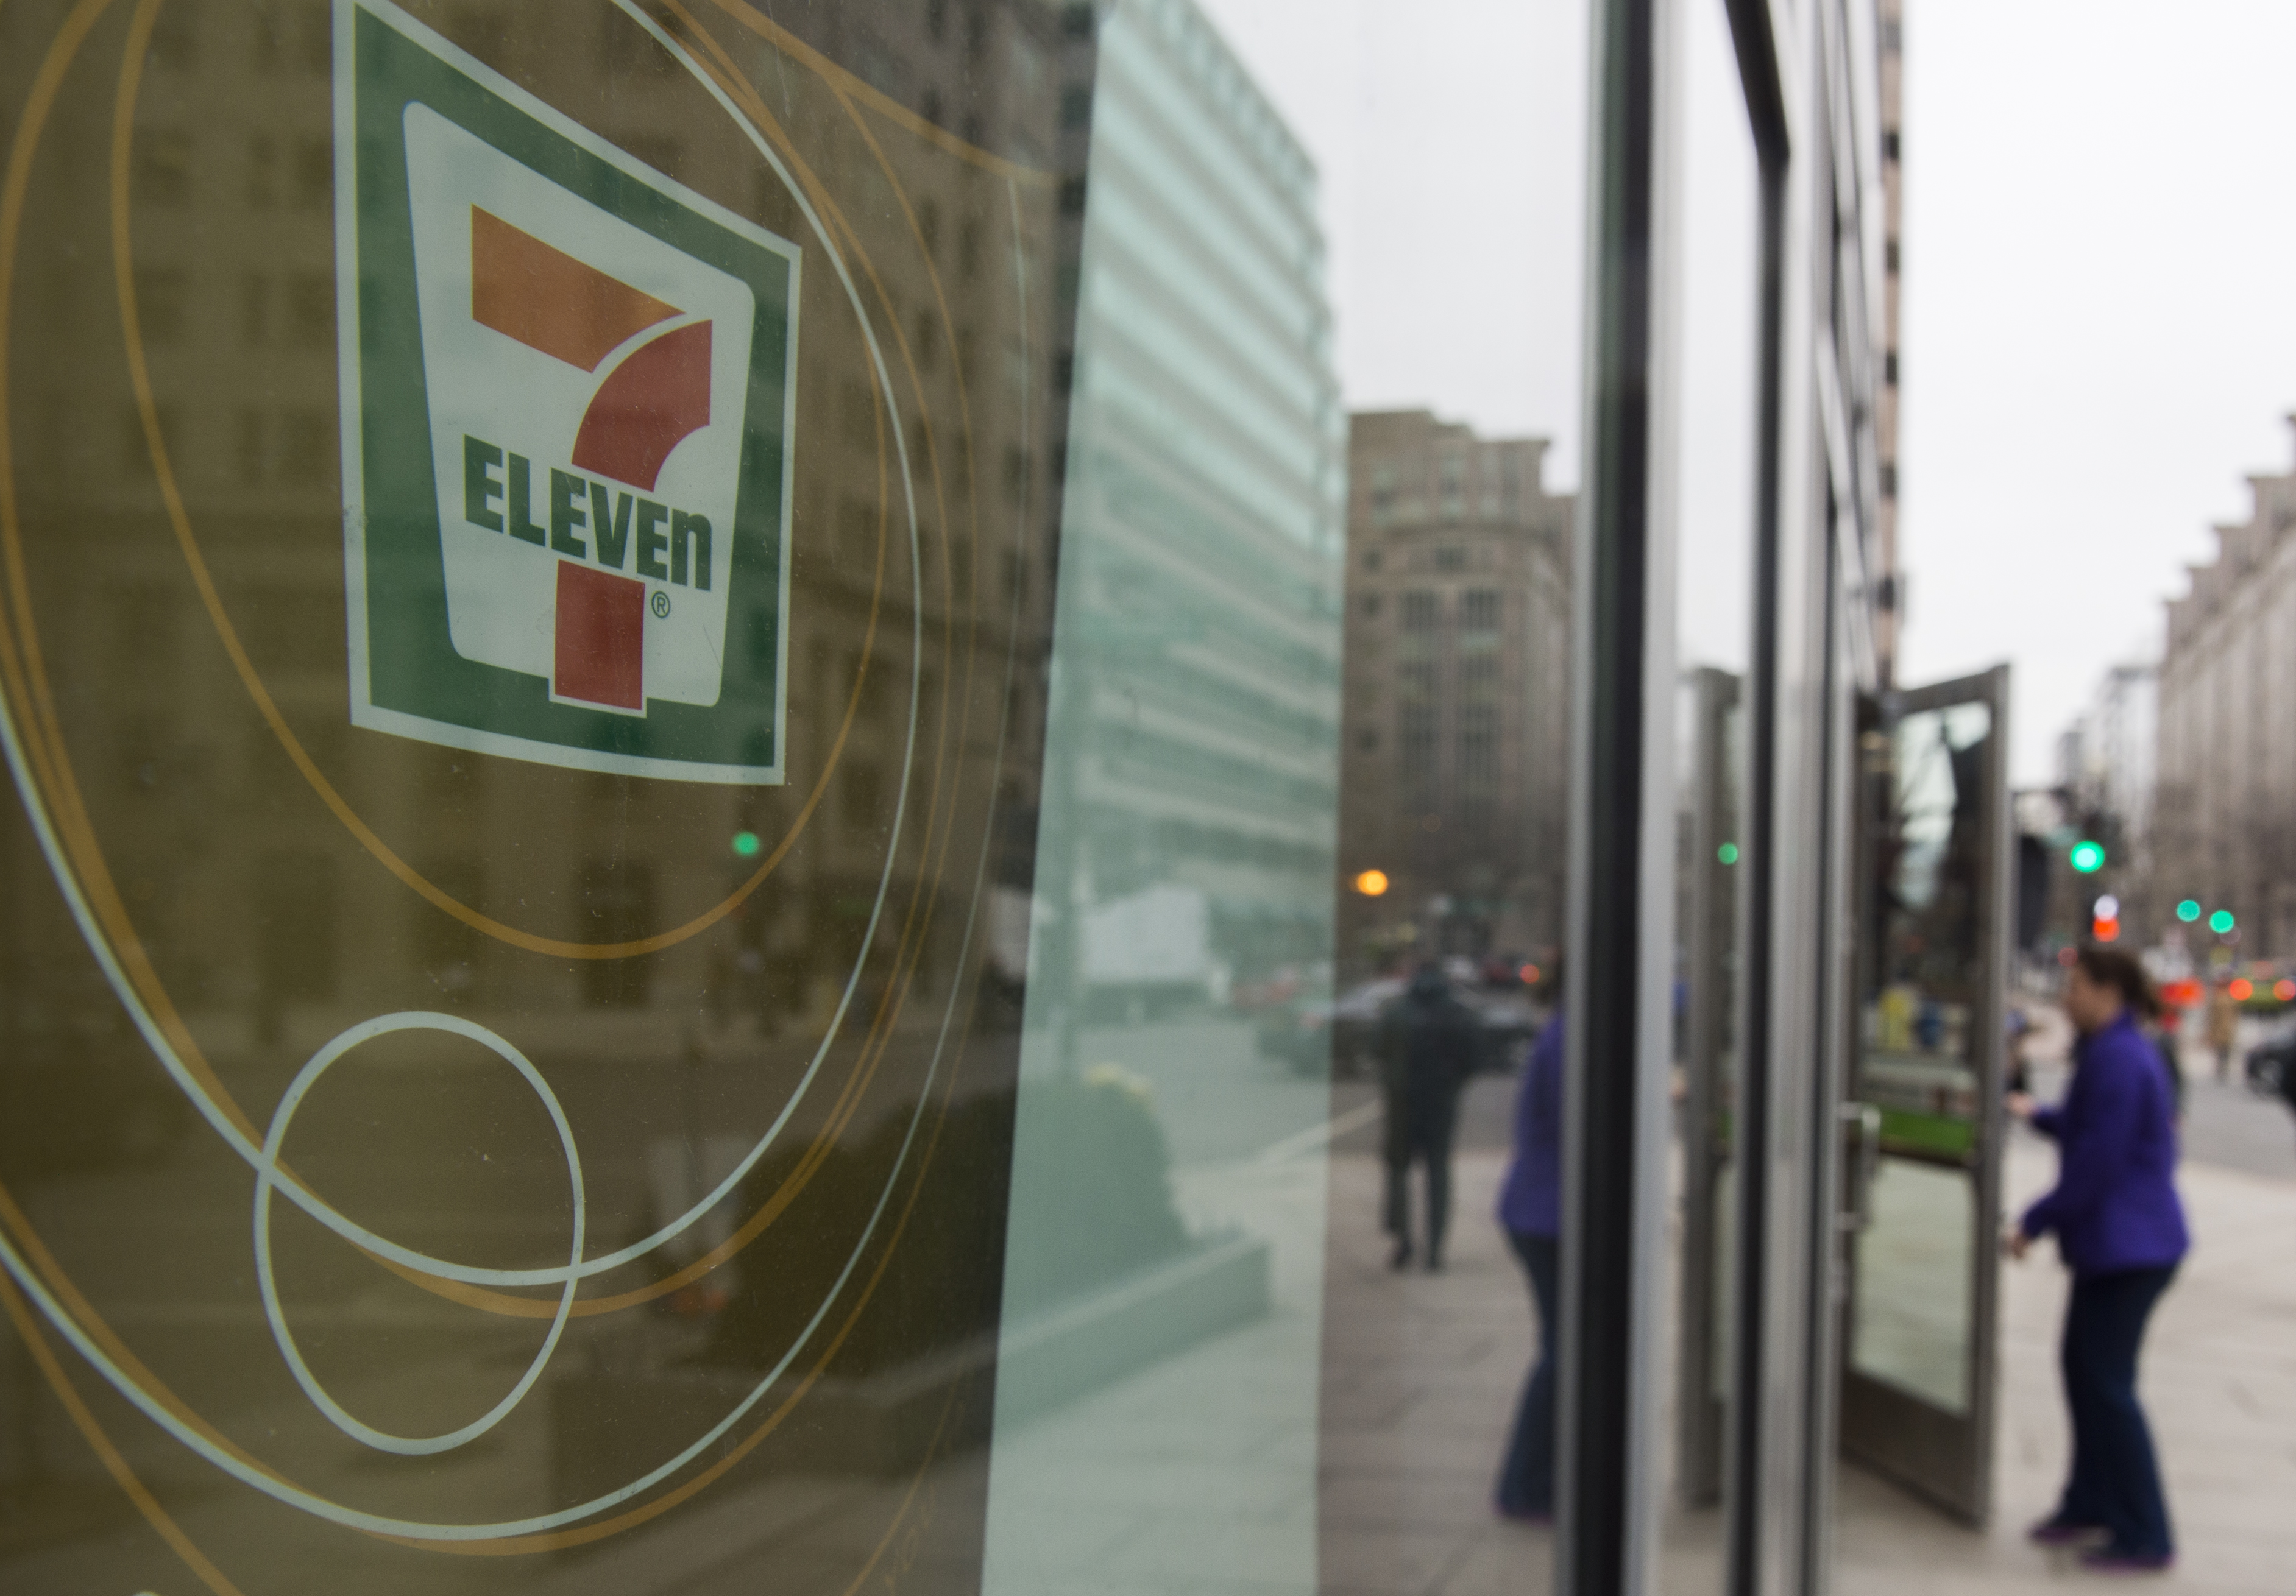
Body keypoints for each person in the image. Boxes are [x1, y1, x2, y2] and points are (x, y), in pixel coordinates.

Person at [2007, 945, 2189, 1573]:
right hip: (2119, 1245)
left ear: (2109, 991)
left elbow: (2098, 1163)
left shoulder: (2120, 1057)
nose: (2067, 996)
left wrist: (2033, 1220)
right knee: (2084, 1373)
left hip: (2132, 1248)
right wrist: (2038, 1115)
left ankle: (2145, 1529)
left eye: (2077, 986)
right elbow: (2088, 1130)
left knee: (2107, 1385)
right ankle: (2089, 1501)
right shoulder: (2114, 1049)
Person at [1493, 998, 1562, 1523]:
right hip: (1546, 1217)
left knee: (1565, 1350)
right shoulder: (1570, 1036)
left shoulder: (1565, 1028)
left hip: (1544, 1213)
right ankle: (1524, 1484)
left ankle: (1543, 1475)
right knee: (1563, 1354)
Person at [1376, 961, 1475, 1271]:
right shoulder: (1458, 1014)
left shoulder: (1396, 1012)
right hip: (1440, 1106)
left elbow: (1378, 1050)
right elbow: (1473, 1058)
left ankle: (1403, 1240)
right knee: (1438, 1175)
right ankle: (1434, 1248)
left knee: (1398, 1173)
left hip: (1403, 1105)